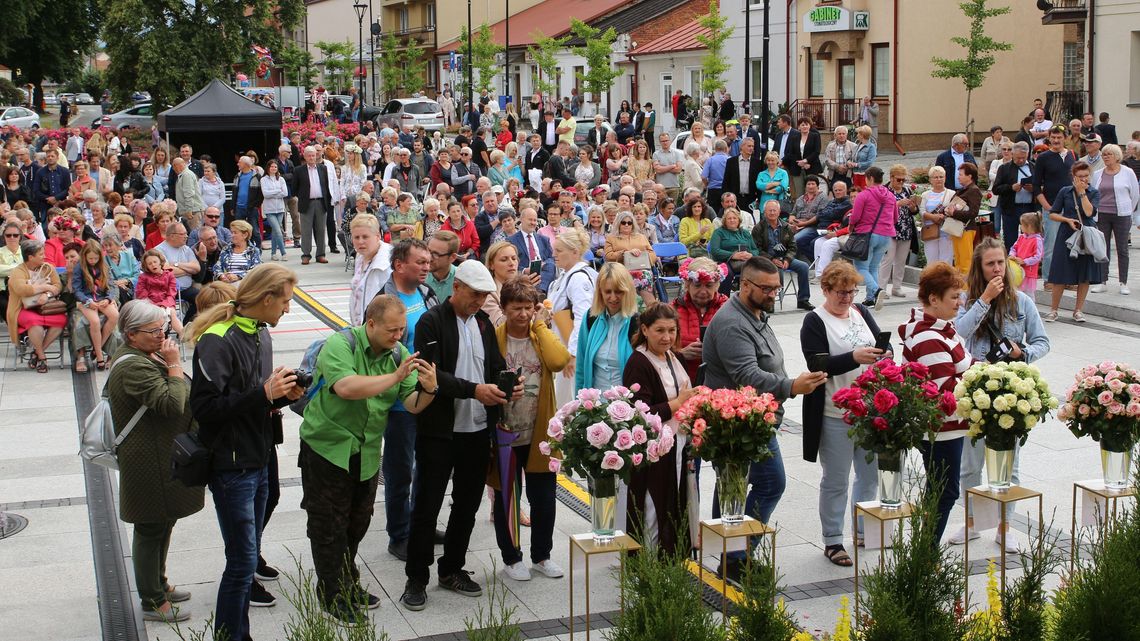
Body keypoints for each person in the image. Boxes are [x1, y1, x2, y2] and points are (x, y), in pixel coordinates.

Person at [299, 294, 436, 620]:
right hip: (327, 448)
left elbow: (413, 404)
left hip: (367, 450)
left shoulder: (397, 354)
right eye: (392, 330)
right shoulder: (341, 344)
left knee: (356, 523)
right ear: (371, 324)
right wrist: (396, 377)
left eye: (402, 330)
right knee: (328, 526)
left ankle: (347, 581)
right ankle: (332, 594)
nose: (398, 337)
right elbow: (346, 387)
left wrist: (429, 389)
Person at [188, 264, 304, 641]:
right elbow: (205, 409)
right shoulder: (218, 338)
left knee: (245, 559)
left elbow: (254, 401)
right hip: (232, 465)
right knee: (240, 564)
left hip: (259, 456)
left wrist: (281, 396)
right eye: (285, 301)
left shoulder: (259, 331)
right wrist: (264, 394)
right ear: (267, 298)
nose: (288, 308)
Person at [400, 260, 522, 611]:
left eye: (484, 296)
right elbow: (430, 375)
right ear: (456, 288)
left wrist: (507, 384)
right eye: (474, 294)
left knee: (467, 505)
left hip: (477, 429)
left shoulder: (482, 323)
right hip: (440, 430)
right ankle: (416, 577)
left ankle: (451, 568)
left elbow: (493, 366)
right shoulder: (431, 321)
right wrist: (474, 390)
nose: (479, 301)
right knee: (427, 506)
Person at [702, 256, 827, 580]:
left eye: (776, 288)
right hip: (737, 423)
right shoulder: (733, 322)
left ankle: (732, 558)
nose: (774, 294)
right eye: (767, 289)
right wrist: (791, 386)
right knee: (767, 483)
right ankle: (736, 556)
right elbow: (747, 375)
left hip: (752, 419)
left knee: (731, 486)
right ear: (745, 285)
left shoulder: (754, 312)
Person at [948, 237, 1050, 552]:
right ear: (979, 268)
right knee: (970, 464)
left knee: (1009, 464)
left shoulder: (1022, 303)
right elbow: (957, 334)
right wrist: (984, 300)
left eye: (1001, 262)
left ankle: (1005, 527)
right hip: (976, 389)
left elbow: (1043, 342)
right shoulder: (966, 300)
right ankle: (972, 523)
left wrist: (1023, 352)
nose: (997, 269)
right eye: (990, 263)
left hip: (1011, 390)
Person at [799, 260, 889, 566]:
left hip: (868, 409)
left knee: (869, 475)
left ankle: (862, 530)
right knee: (836, 479)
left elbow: (878, 343)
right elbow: (817, 364)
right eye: (841, 292)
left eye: (852, 292)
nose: (847, 298)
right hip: (834, 412)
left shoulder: (860, 311)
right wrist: (854, 357)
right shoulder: (815, 320)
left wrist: (884, 353)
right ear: (825, 290)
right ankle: (833, 540)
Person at [493, 278, 571, 581]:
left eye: (529, 308)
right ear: (504, 308)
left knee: (544, 498)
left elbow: (559, 360)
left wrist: (540, 324)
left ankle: (542, 555)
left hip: (539, 433)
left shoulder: (540, 336)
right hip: (505, 433)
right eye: (516, 308)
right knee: (508, 499)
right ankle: (511, 557)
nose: (523, 314)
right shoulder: (494, 338)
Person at [899, 261, 972, 541]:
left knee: (940, 491)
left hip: (949, 427)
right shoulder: (929, 336)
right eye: (954, 297)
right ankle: (925, 553)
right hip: (941, 428)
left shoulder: (941, 329)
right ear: (933, 299)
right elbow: (945, 390)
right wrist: (980, 383)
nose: (959, 302)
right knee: (943, 492)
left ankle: (925, 551)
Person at [622, 303, 697, 554]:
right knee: (652, 507)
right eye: (660, 331)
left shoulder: (674, 357)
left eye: (671, 330)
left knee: (675, 503)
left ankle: (670, 561)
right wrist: (678, 403)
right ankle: (648, 563)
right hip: (652, 449)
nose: (667, 337)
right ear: (645, 330)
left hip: (677, 442)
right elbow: (639, 413)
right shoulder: (639, 363)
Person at [1044, 161, 1104, 322]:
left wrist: (1082, 193)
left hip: (1086, 234)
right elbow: (1053, 213)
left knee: (1084, 274)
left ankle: (1078, 310)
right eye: (1080, 176)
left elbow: (1089, 213)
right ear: (1073, 177)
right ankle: (1053, 310)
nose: (1083, 179)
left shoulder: (1094, 192)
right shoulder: (1065, 191)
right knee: (1060, 272)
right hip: (1067, 233)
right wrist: (1067, 220)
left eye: (1086, 176)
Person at [7, 240, 67, 373]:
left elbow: (57, 286)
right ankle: (42, 357)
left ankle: (36, 353)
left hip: (46, 307)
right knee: (34, 323)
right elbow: (22, 290)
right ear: (30, 257)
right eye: (40, 254)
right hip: (23, 308)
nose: (44, 256)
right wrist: (45, 287)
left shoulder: (48, 268)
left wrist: (47, 294)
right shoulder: (18, 271)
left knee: (61, 320)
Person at [1089, 144, 1139, 295]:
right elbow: (1093, 193)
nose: (1106, 157)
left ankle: (1123, 282)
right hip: (1102, 214)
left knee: (1122, 248)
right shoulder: (1098, 174)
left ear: (1117, 156)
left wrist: (1130, 210)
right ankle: (1102, 281)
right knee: (1102, 248)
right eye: (1104, 154)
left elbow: (1135, 194)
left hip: (1122, 215)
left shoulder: (1128, 172)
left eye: (1109, 154)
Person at [847, 166, 896, 306]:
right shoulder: (891, 196)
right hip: (886, 235)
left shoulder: (864, 195)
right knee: (874, 267)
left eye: (866, 178)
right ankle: (870, 299)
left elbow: (855, 216)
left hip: (867, 234)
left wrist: (851, 226)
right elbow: (895, 217)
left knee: (861, 267)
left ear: (871, 178)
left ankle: (876, 290)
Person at [752, 200, 814, 310]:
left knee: (804, 267)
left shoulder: (786, 227)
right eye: (769, 210)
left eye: (774, 210)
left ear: (779, 211)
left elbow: (793, 247)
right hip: (767, 260)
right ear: (765, 212)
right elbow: (757, 249)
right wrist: (772, 259)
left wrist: (787, 259)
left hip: (785, 258)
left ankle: (803, 300)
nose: (772, 213)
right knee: (777, 271)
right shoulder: (758, 228)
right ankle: (770, 302)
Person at [1033, 125, 1075, 281]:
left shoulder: (1072, 155)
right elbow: (1036, 185)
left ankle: (1068, 278)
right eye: (1053, 137)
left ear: (1065, 138)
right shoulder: (1043, 157)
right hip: (1052, 207)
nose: (1056, 140)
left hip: (1071, 208)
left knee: (1070, 244)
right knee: (1051, 245)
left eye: (1059, 137)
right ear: (1049, 138)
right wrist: (1046, 206)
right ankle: (1049, 279)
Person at [72, 239, 120, 371]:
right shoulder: (79, 267)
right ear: (85, 257)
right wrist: (87, 301)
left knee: (114, 315)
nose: (93, 261)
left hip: (102, 298)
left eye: (95, 258)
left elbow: (111, 285)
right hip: (86, 299)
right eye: (90, 258)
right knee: (94, 321)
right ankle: (99, 356)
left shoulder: (104, 266)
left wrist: (109, 299)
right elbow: (77, 289)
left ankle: (96, 347)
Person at [879, 165, 918, 299]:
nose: (901, 182)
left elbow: (914, 212)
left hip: (905, 229)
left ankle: (897, 287)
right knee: (887, 259)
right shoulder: (884, 190)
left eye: (903, 180)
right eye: (898, 180)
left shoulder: (907, 190)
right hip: (889, 230)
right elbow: (880, 209)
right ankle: (881, 288)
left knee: (901, 261)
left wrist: (913, 208)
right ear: (891, 178)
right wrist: (897, 204)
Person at [992, 141, 1038, 251]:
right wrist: (1011, 188)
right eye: (1018, 158)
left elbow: (1041, 186)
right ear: (1012, 154)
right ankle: (1010, 259)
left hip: (1029, 209)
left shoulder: (1034, 167)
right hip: (1011, 209)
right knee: (1010, 240)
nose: (1020, 160)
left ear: (1028, 154)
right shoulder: (1004, 168)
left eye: (1023, 158)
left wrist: (1033, 189)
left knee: (1029, 240)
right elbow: (996, 189)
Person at [293, 146, 334, 265]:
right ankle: (306, 255)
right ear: (305, 157)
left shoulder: (323, 168)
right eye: (309, 155)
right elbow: (294, 188)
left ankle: (321, 254)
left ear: (316, 156)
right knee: (306, 231)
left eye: (313, 155)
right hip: (306, 203)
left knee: (321, 230)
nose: (311, 158)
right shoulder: (298, 170)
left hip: (321, 202)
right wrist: (303, 197)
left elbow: (327, 185)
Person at [709, 208, 758, 294]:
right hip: (724, 261)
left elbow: (755, 250)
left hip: (744, 261)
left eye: (734, 218)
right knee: (726, 273)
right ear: (725, 221)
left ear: (739, 220)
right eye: (729, 218)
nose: (732, 220)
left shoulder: (745, 233)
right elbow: (715, 250)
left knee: (758, 271)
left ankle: (752, 298)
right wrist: (733, 255)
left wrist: (751, 255)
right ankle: (724, 299)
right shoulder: (718, 232)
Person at [136, 250, 184, 337]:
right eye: (149, 263)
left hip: (167, 303)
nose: (153, 265)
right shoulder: (143, 277)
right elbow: (142, 295)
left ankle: (183, 334)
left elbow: (171, 294)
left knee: (172, 313)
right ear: (146, 266)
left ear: (160, 262)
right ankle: (160, 335)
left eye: (155, 262)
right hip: (150, 304)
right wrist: (155, 306)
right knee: (156, 315)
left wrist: (163, 305)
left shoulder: (169, 275)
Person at [508, 207, 555, 293]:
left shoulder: (544, 239)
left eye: (535, 220)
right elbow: (509, 264)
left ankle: (540, 291)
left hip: (543, 273)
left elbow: (552, 258)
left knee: (551, 266)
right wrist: (524, 271)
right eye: (530, 220)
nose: (533, 223)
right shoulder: (511, 241)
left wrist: (544, 264)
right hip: (524, 277)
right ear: (522, 220)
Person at [920, 166, 956, 266]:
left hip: (946, 233)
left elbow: (955, 210)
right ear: (930, 180)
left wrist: (945, 215)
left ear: (945, 178)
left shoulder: (952, 193)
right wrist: (932, 217)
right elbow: (921, 211)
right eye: (935, 177)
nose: (939, 179)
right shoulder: (925, 195)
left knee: (946, 263)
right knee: (931, 263)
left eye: (941, 177)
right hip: (930, 232)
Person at [784, 118, 823, 199]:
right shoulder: (794, 137)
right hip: (797, 168)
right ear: (799, 127)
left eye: (806, 124)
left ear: (810, 126)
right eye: (802, 125)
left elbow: (816, 152)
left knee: (811, 192)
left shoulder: (815, 136)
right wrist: (800, 163)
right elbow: (791, 153)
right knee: (799, 193)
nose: (805, 126)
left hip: (811, 167)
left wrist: (806, 161)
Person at [260, 161, 289, 261]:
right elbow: (265, 194)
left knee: (275, 232)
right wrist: (278, 191)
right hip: (269, 210)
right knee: (278, 231)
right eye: (271, 166)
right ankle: (283, 253)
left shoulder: (281, 179)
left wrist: (272, 193)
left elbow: (285, 193)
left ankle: (273, 253)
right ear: (268, 168)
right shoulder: (263, 179)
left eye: (275, 167)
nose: (273, 168)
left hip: (280, 209)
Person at [426, 230, 458, 300]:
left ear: (452, 257)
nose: (429, 258)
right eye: (428, 251)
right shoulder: (419, 276)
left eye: (436, 254)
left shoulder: (461, 280)